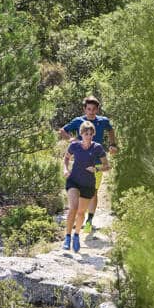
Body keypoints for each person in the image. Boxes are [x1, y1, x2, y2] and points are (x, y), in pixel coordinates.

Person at [59, 95, 118, 233]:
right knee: (78, 192)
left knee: (93, 193)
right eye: (88, 109)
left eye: (94, 109)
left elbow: (110, 130)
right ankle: (79, 217)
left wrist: (112, 144)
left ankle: (89, 221)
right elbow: (62, 130)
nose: (91, 111)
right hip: (80, 164)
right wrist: (71, 139)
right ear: (84, 109)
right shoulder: (78, 121)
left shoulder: (103, 121)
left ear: (97, 109)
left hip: (96, 164)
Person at [62, 120, 110, 253]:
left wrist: (97, 169)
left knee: (81, 213)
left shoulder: (97, 148)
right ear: (81, 133)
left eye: (90, 134)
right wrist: (65, 169)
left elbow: (107, 166)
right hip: (74, 181)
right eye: (85, 133)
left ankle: (76, 236)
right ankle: (67, 238)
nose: (88, 136)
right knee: (73, 208)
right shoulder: (74, 146)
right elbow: (66, 158)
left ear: (93, 134)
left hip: (88, 185)